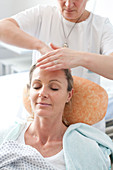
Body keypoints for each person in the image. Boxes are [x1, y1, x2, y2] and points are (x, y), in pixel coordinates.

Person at [0, 0, 113, 131]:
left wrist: (80, 58)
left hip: (82, 127)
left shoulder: (101, 26)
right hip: (38, 120)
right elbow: (3, 28)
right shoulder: (43, 14)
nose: (68, 4)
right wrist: (40, 46)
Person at [0, 65, 113, 170]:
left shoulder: (86, 151)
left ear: (69, 95)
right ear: (29, 92)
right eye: (37, 86)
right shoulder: (5, 138)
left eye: (54, 88)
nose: (42, 93)